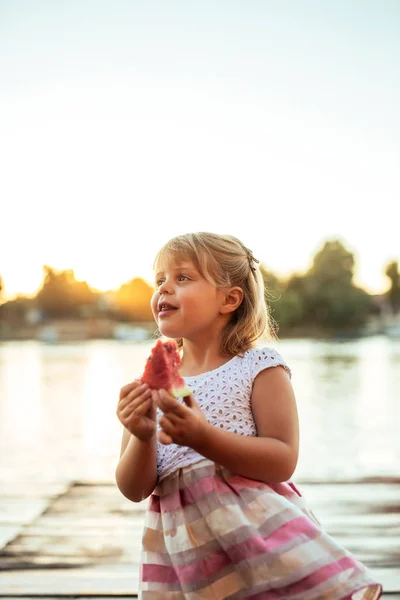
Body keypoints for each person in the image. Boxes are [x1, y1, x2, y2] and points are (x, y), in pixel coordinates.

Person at [115, 232, 382, 599]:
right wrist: (142, 435)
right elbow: (134, 489)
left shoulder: (259, 366)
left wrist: (201, 436)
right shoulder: (149, 384)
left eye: (183, 278)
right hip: (183, 557)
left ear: (229, 299)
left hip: (260, 543)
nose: (164, 289)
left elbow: (283, 460)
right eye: (159, 280)